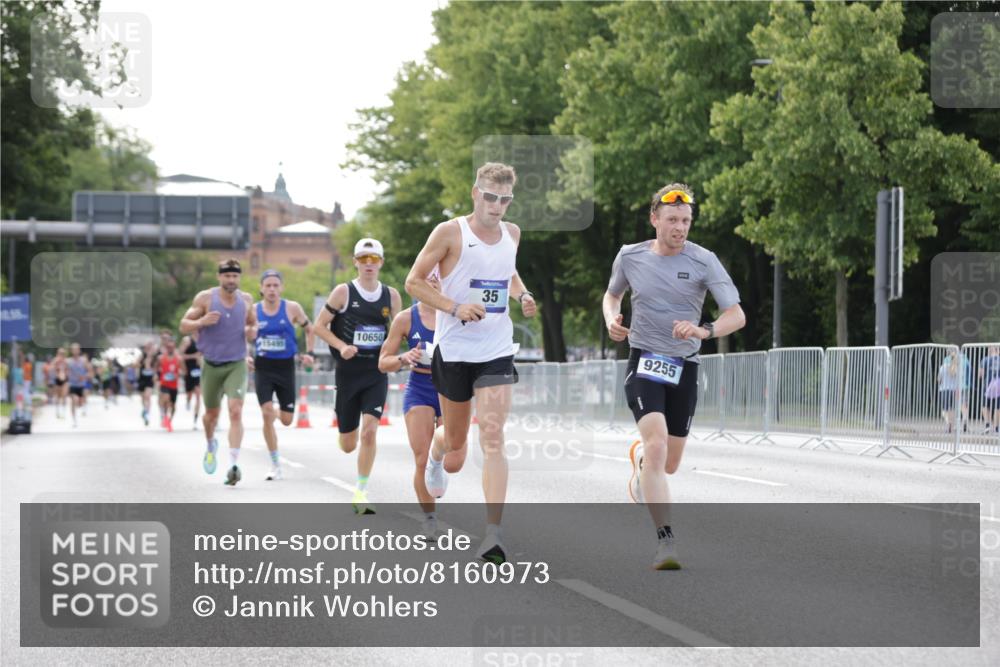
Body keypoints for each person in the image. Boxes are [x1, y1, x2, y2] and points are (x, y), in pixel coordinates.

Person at [603, 183, 745, 570]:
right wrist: (611, 319)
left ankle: (642, 465)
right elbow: (612, 295)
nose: (680, 228)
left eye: (686, 220)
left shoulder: (704, 260)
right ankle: (665, 540)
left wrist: (705, 331)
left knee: (668, 464)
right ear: (655, 220)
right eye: (672, 220)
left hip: (685, 365)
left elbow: (736, 314)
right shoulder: (630, 257)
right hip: (644, 360)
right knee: (658, 443)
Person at [404, 162, 537, 564]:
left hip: (495, 349)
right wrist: (454, 306)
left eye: (505, 199)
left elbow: (507, 272)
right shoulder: (449, 233)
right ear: (475, 193)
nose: (498, 206)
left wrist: (523, 294)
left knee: (493, 437)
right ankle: (435, 454)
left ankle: (493, 535)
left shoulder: (512, 233)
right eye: (491, 197)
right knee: (456, 441)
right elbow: (412, 281)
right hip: (455, 351)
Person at [314, 238, 402, 515]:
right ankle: (343, 425)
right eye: (363, 259)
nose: (368, 264)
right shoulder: (343, 292)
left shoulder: (392, 296)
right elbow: (319, 326)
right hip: (348, 374)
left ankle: (361, 491)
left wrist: (396, 353)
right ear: (355, 262)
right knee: (348, 444)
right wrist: (341, 347)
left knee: (370, 431)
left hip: (376, 372)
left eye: (373, 259)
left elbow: (398, 332)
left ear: (380, 263)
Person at [379, 270, 461, 539]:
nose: (432, 284)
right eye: (427, 279)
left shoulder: (454, 313)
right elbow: (383, 362)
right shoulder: (405, 319)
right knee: (421, 457)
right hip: (420, 389)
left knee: (453, 460)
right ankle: (429, 519)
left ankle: (438, 468)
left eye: (437, 280)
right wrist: (404, 357)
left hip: (450, 388)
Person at [179, 258, 257, 486]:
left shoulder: (246, 300)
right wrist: (201, 321)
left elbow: (253, 323)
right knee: (211, 416)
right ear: (219, 277)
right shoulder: (205, 298)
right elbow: (183, 325)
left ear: (239, 278)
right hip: (211, 364)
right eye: (227, 276)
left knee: (235, 411)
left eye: (235, 276)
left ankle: (233, 464)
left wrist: (252, 331)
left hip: (236, 363)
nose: (231, 280)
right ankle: (211, 442)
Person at [247, 269, 315, 481]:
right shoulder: (253, 310)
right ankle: (275, 463)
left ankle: (276, 412)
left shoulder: (292, 308)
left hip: (286, 368)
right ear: (261, 288)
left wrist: (309, 353)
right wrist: (245, 355)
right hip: (263, 367)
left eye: (276, 285)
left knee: (286, 420)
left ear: (281, 288)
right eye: (268, 285)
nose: (272, 289)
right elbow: (240, 333)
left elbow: (309, 328)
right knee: (266, 413)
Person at [157, 336, 183, 432]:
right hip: (164, 383)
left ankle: (169, 421)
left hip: (174, 385)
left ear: (174, 347)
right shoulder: (161, 358)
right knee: (166, 400)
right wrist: (157, 377)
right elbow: (157, 369)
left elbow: (184, 370)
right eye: (168, 347)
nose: (170, 349)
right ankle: (165, 417)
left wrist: (180, 372)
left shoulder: (178, 359)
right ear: (166, 347)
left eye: (172, 347)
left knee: (173, 405)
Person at [66, 343, 94, 428]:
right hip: (72, 384)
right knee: (74, 400)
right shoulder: (68, 361)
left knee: (82, 399)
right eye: (73, 349)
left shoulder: (84, 360)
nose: (75, 351)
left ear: (79, 350)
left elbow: (91, 372)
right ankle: (74, 420)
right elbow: (64, 371)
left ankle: (83, 405)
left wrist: (85, 376)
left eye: (76, 349)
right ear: (71, 351)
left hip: (82, 384)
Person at [180, 334, 203, 429]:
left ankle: (195, 420)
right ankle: (188, 400)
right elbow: (180, 355)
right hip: (188, 371)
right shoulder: (187, 340)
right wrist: (194, 356)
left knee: (198, 396)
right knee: (189, 393)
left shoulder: (204, 338)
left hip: (198, 371)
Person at [136, 341, 158, 426]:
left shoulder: (155, 358)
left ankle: (147, 413)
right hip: (142, 378)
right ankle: (144, 409)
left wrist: (155, 375)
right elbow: (136, 364)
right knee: (143, 397)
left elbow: (156, 368)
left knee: (147, 396)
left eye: (151, 347)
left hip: (150, 379)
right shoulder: (142, 356)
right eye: (148, 348)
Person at [980, 345, 1000, 435]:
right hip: (998, 386)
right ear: (998, 350)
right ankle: (996, 428)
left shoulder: (985, 360)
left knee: (985, 405)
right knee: (997, 407)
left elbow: (981, 374)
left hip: (987, 385)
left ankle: (987, 425)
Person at [52, 348, 68, 418]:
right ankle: (57, 411)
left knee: (64, 395)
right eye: (60, 353)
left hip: (65, 379)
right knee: (58, 396)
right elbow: (52, 369)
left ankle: (63, 412)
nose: (61, 355)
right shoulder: (55, 361)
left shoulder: (66, 361)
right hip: (57, 379)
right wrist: (58, 374)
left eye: (63, 353)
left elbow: (68, 370)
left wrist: (64, 375)